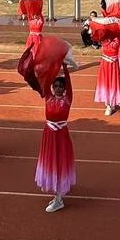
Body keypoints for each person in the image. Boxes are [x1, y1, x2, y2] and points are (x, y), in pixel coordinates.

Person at [36, 70, 75, 213]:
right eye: (56, 86)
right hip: (49, 135)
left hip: (61, 136)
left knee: (60, 163)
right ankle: (56, 194)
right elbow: (45, 80)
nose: (58, 88)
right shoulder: (48, 97)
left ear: (65, 89)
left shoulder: (67, 99)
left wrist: (64, 66)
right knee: (50, 163)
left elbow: (69, 83)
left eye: (61, 86)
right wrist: (52, 65)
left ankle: (59, 199)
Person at [90, 17, 120, 116]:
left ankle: (112, 102)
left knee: (113, 84)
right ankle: (108, 104)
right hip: (105, 64)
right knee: (106, 83)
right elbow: (94, 33)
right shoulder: (103, 38)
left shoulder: (117, 38)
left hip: (113, 64)